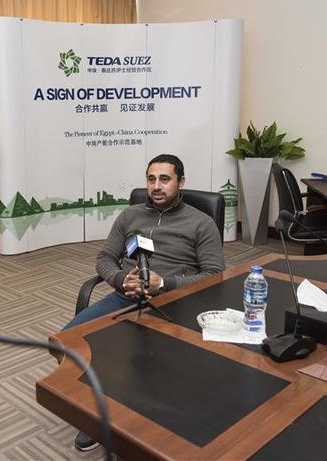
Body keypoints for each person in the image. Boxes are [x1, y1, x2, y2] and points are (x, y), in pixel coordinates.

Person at [63, 153, 225, 451]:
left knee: (152, 365)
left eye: (165, 179)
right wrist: (119, 279)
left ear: (181, 182)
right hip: (124, 297)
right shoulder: (130, 216)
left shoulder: (200, 223)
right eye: (151, 179)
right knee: (67, 341)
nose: (156, 186)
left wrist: (164, 283)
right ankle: (97, 412)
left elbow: (215, 275)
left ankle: (146, 420)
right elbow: (105, 258)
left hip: (175, 305)